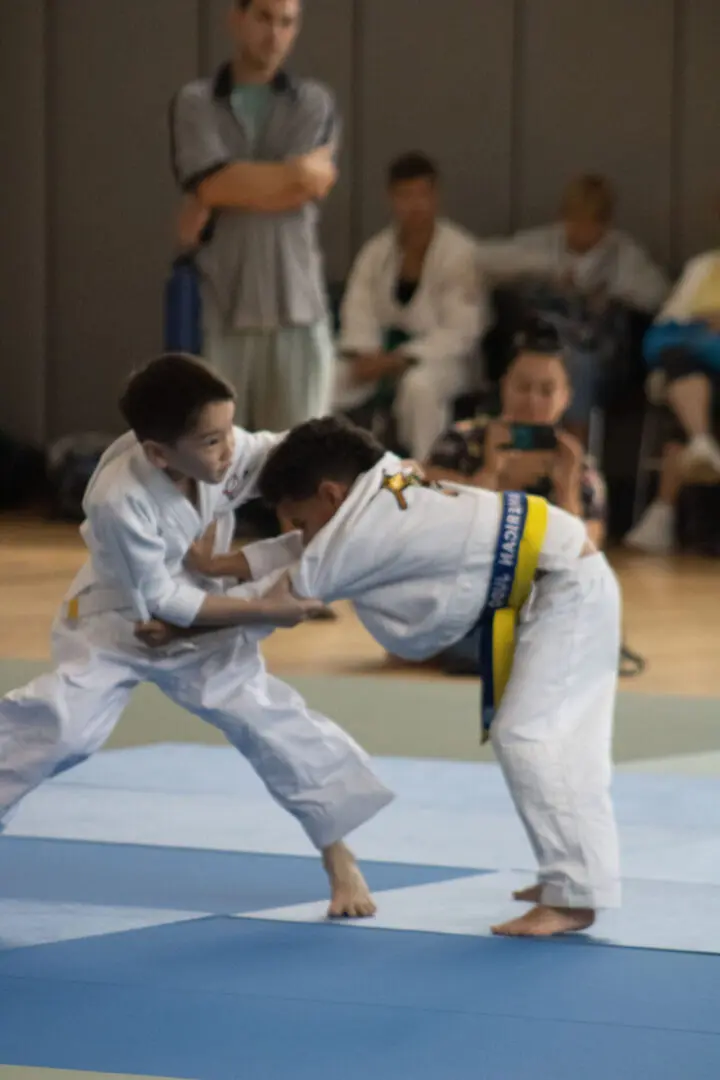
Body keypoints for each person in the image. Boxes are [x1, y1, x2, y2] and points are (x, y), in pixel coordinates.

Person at [173, 417, 621, 937]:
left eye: (300, 518)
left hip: (563, 588)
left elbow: (286, 594)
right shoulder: (386, 485)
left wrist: (181, 615)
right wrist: (226, 562)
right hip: (557, 577)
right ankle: (572, 877)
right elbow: (305, 547)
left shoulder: (364, 532)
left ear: (331, 493)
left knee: (530, 735)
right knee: (559, 740)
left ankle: (575, 894)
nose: (299, 533)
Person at [0, 356, 393, 918]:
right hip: (115, 618)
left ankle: (339, 858)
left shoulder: (228, 451)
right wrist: (266, 609)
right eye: (211, 441)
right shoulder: (118, 499)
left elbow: (309, 449)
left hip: (201, 597)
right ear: (160, 453)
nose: (229, 449)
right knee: (63, 727)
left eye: (229, 430)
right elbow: (163, 604)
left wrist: (392, 474)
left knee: (271, 721)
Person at [170, 0, 339, 430]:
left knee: (300, 458)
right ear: (236, 18)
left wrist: (231, 186)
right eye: (264, 17)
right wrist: (295, 174)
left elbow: (306, 188)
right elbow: (211, 183)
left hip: (296, 306)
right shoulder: (196, 102)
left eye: (287, 22)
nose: (275, 33)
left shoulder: (313, 102)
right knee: (216, 457)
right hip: (225, 303)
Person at [423, 318, 609, 673]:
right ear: (504, 386)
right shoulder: (462, 441)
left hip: (538, 599)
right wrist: (490, 475)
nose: (533, 401)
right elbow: (428, 520)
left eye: (546, 390)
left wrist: (566, 487)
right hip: (464, 588)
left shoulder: (578, 465)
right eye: (523, 387)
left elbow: (587, 557)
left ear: (566, 397)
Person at [479, 174, 669, 441]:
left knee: (575, 368)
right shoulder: (546, 243)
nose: (579, 229)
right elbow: (483, 259)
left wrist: (613, 290)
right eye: (573, 220)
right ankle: (513, 449)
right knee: (523, 362)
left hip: (598, 354)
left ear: (604, 223)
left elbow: (658, 294)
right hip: (543, 340)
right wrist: (547, 270)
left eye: (588, 222)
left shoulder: (622, 253)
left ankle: (572, 453)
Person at [334, 152, 485, 460]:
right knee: (326, 380)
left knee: (420, 388)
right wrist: (365, 351)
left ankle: (427, 475)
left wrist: (401, 359)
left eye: (422, 194)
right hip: (378, 355)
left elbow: (462, 330)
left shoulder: (461, 251)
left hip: (446, 361)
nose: (415, 205)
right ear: (391, 198)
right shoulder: (377, 251)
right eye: (405, 195)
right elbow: (357, 306)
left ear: (436, 196)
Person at [625, 246, 720, 554]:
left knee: (688, 403)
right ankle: (701, 442)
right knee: (681, 373)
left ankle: (663, 510)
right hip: (698, 366)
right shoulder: (704, 265)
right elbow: (670, 318)